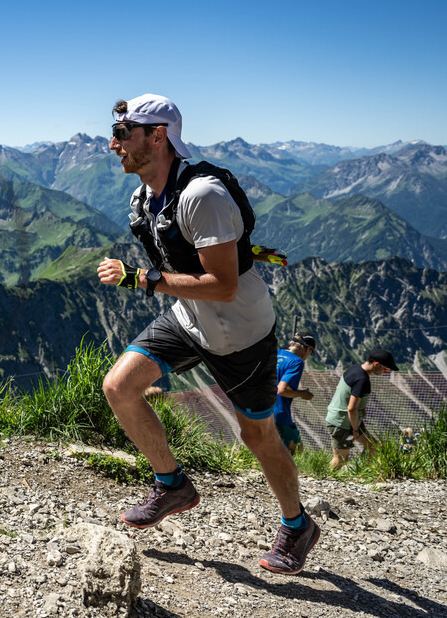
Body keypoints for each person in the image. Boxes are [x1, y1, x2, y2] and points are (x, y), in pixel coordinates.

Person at [96, 94, 319, 575]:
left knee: (257, 436)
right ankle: (172, 483)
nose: (112, 144)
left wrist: (141, 279)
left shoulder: (203, 195)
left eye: (121, 133)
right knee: (119, 387)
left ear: (157, 136)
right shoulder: (145, 197)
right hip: (188, 317)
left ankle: (298, 525)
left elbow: (223, 285)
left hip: (241, 331)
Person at [325, 349, 397, 470]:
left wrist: (358, 419)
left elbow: (339, 387)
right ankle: (324, 481)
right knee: (341, 459)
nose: (386, 373)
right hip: (341, 423)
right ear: (376, 364)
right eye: (386, 369)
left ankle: (361, 473)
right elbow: (352, 408)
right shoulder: (362, 380)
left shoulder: (354, 368)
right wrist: (354, 429)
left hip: (349, 420)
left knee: (373, 446)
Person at [274, 333, 316, 453]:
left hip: (262, 410)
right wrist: (303, 394)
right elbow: (282, 390)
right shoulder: (296, 362)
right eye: (310, 352)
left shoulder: (276, 353)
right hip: (280, 413)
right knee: (296, 450)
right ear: (308, 349)